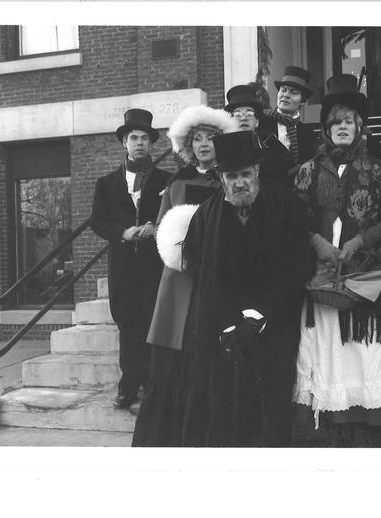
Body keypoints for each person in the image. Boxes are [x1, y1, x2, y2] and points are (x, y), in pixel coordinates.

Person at [180, 131, 313, 447]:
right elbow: (202, 270)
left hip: (275, 322)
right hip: (226, 329)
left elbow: (299, 264)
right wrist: (228, 321)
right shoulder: (206, 215)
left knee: (274, 404)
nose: (239, 182)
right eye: (231, 176)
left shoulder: (286, 204)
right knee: (227, 406)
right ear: (221, 178)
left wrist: (260, 313)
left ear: (257, 172)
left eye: (245, 174)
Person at [292, 74, 381, 447]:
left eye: (349, 121)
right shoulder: (308, 171)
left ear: (360, 127)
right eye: (336, 121)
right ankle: (330, 418)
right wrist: (317, 241)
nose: (343, 127)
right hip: (323, 277)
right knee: (330, 349)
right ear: (326, 128)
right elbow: (295, 218)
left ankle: (366, 421)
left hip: (365, 274)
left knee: (363, 349)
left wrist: (359, 240)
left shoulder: (375, 169)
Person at [132, 105, 236, 446]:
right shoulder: (176, 183)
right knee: (173, 360)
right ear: (188, 146)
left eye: (211, 138)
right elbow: (164, 227)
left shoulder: (230, 180)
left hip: (217, 278)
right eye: (198, 139)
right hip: (179, 281)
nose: (204, 144)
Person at [90, 108, 171, 410]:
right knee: (127, 325)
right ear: (124, 143)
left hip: (154, 265)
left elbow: (177, 216)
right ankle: (129, 385)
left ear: (152, 144)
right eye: (133, 137)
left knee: (152, 323)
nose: (139, 143)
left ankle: (153, 384)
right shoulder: (107, 184)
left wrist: (157, 227)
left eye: (145, 138)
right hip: (123, 266)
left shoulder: (167, 179)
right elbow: (98, 221)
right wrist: (123, 232)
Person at [223, 83, 295, 188]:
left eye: (249, 114)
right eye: (237, 114)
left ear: (257, 122)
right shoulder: (222, 153)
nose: (244, 118)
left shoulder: (274, 152)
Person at [259, 66, 319, 185]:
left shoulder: (308, 135)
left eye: (293, 92)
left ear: (302, 100)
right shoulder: (261, 123)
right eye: (283, 90)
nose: (286, 95)